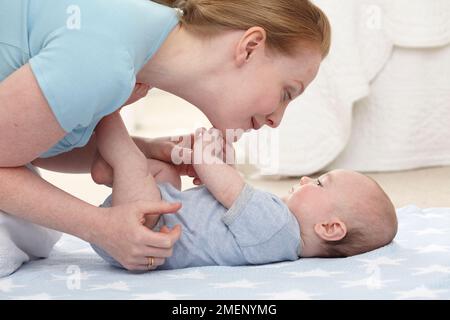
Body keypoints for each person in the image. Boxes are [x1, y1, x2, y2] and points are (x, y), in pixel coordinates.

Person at [0, 0, 331, 272]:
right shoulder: (106, 63)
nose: (276, 120)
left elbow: (28, 142)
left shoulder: (135, 51)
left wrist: (143, 149)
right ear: (250, 46)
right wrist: (98, 225)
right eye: (287, 93)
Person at [92, 127, 398, 270]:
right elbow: (230, 197)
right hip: (153, 215)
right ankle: (114, 175)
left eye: (319, 183)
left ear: (329, 227)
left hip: (138, 229)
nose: (305, 179)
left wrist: (205, 153)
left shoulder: (278, 228)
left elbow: (230, 189)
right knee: (165, 175)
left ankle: (108, 121)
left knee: (132, 162)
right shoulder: (278, 239)